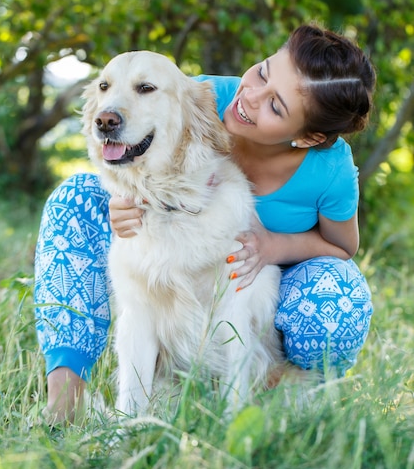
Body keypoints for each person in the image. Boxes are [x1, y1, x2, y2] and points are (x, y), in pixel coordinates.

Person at [34, 23, 376, 424]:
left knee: (340, 295)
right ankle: (65, 399)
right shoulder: (201, 95)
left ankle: (298, 402)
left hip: (273, 279)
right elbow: (129, 140)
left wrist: (273, 247)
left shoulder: (329, 168)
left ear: (309, 136)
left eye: (276, 106)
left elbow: (343, 246)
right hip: (167, 234)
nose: (250, 97)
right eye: (263, 71)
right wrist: (122, 200)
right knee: (74, 197)